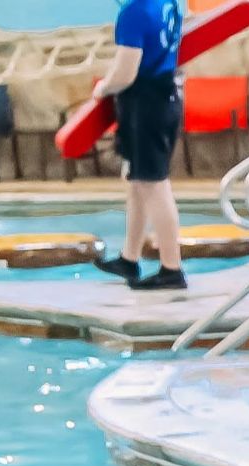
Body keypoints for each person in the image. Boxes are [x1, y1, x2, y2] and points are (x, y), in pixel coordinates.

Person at [91, 0, 186, 291]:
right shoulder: (166, 3)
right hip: (165, 96)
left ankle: (172, 269)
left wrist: (103, 88)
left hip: (146, 106)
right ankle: (129, 258)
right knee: (138, 182)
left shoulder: (134, 12)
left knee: (154, 185)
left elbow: (126, 72)